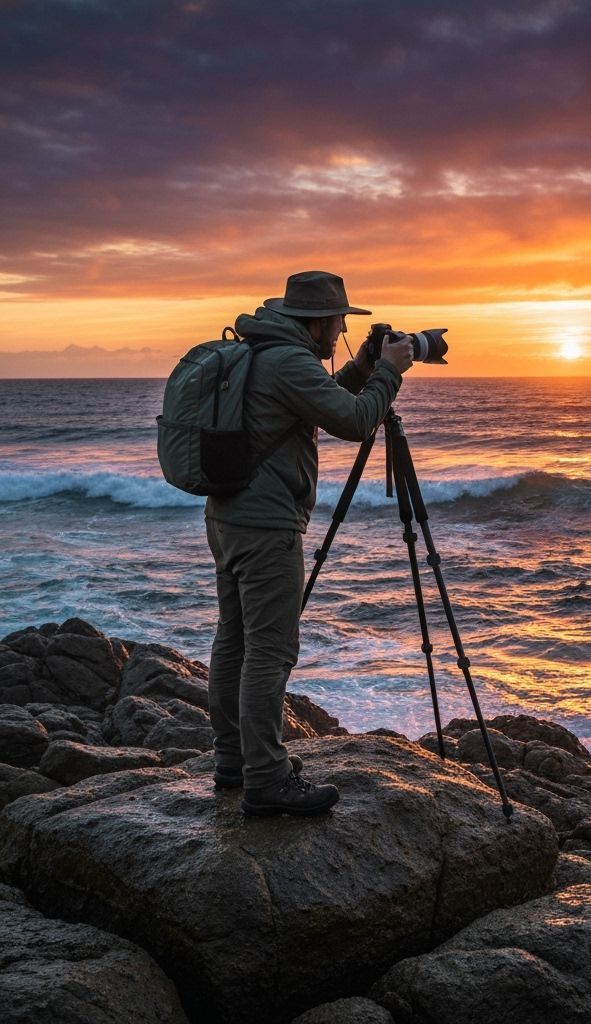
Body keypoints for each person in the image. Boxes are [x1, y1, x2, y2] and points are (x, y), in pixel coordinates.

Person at [204, 270, 413, 816]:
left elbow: (317, 400)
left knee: (235, 640)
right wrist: (389, 373)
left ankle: (234, 761)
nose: (341, 329)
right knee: (269, 651)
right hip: (266, 525)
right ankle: (267, 780)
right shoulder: (290, 361)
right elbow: (355, 420)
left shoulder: (264, 351)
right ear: (319, 321)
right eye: (339, 320)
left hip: (227, 516)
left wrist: (362, 368)